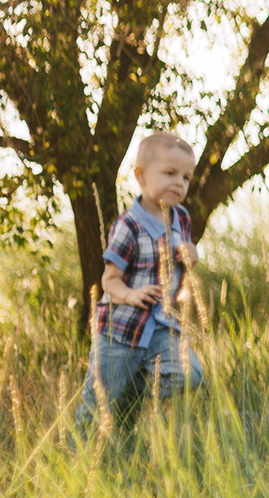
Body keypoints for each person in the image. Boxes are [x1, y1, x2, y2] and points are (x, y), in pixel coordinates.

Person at [76, 131, 207, 428]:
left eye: (186, 177)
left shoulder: (181, 218)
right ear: (141, 176)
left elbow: (183, 263)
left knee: (190, 374)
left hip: (161, 324)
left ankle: (132, 391)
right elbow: (109, 281)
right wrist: (131, 295)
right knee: (97, 403)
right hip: (120, 330)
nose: (179, 183)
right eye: (170, 173)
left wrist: (193, 254)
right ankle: (77, 455)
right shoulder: (128, 226)